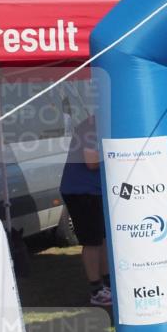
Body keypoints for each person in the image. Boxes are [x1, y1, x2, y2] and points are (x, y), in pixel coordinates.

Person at [59, 114, 111, 306]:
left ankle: (107, 283)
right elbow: (91, 162)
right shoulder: (91, 127)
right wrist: (116, 153)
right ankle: (96, 290)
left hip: (93, 190)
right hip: (81, 191)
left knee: (103, 238)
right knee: (92, 242)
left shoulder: (99, 124)